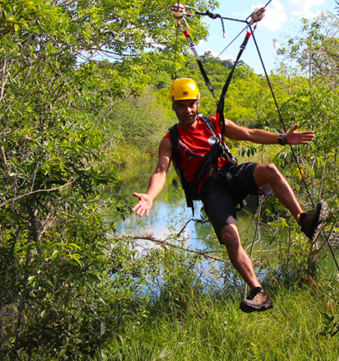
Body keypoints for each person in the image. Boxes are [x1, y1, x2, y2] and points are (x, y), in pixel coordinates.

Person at [132, 78, 327, 313]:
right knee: (229, 236)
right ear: (173, 106)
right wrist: (151, 196)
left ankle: (304, 221)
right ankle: (258, 292)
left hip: (230, 173)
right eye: (182, 105)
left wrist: (283, 138)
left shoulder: (213, 123)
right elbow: (161, 171)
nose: (189, 110)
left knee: (270, 170)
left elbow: (249, 133)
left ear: (198, 103)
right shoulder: (170, 140)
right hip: (210, 190)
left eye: (192, 104)